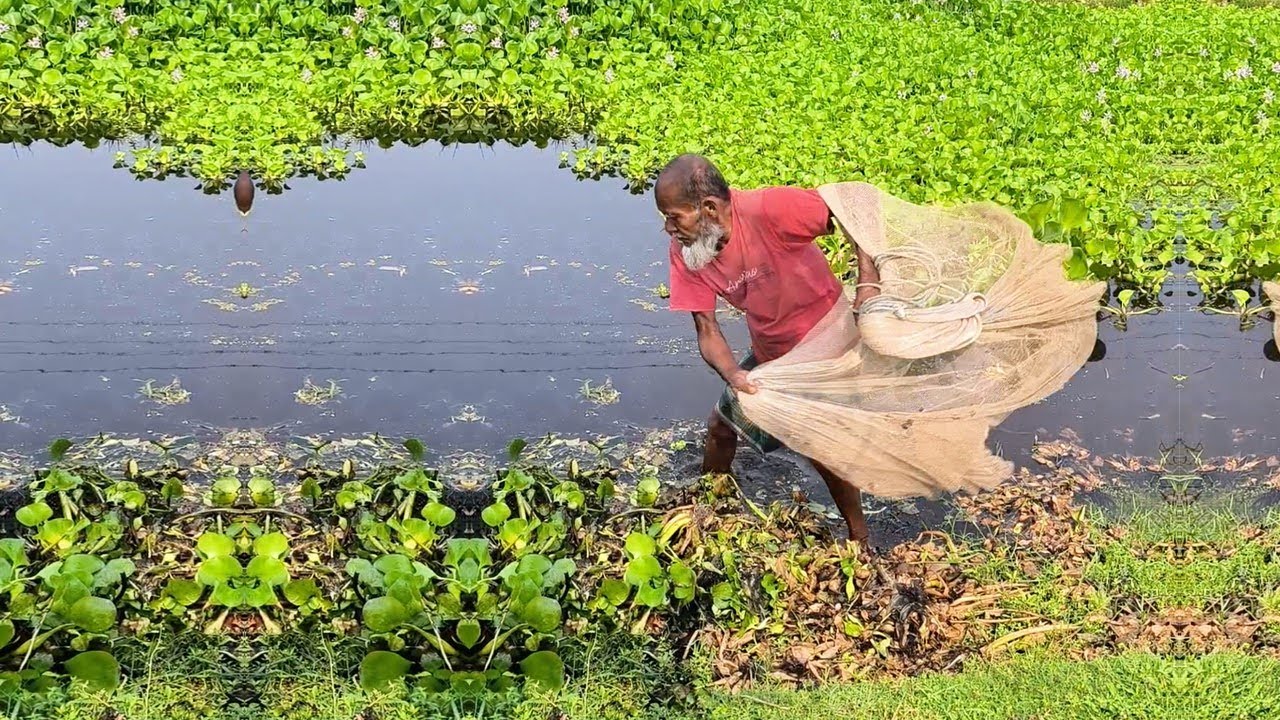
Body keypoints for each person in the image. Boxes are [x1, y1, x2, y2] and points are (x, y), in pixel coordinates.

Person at [656, 154, 880, 545]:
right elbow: (706, 328)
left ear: (708, 208)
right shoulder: (687, 252)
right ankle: (710, 511)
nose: (667, 228)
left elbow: (855, 205)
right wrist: (735, 375)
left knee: (820, 448)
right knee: (721, 427)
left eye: (675, 216)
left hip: (829, 343)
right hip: (773, 352)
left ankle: (860, 537)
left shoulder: (769, 210)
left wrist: (867, 280)